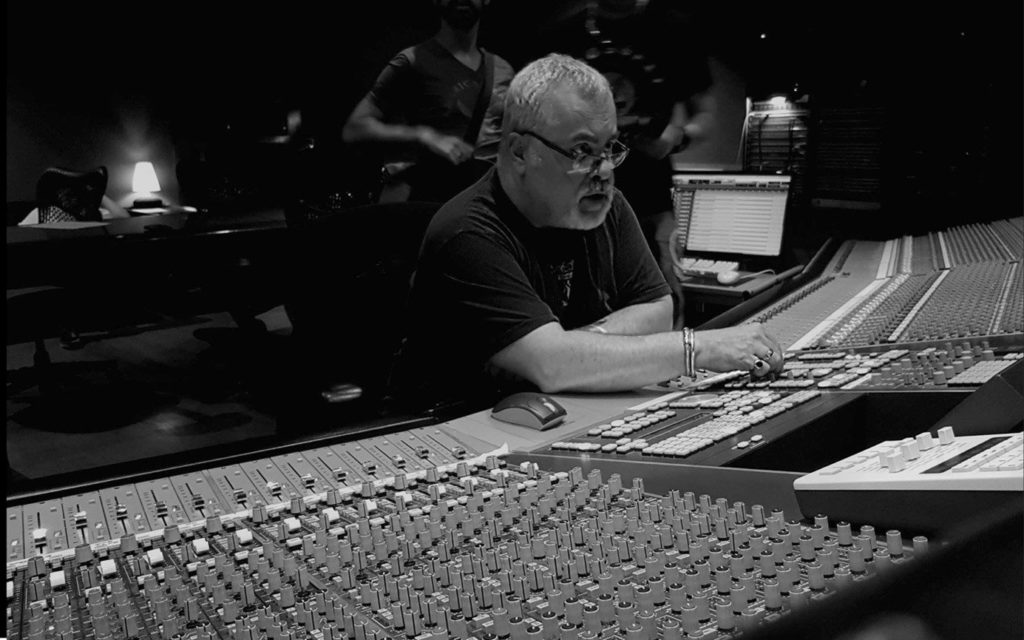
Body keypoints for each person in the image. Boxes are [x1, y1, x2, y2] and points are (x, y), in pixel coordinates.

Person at [391, 54, 782, 410]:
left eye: (609, 147)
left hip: (559, 406)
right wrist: (696, 348)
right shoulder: (467, 233)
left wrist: (573, 348)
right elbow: (553, 366)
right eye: (581, 151)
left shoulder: (604, 205)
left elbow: (658, 310)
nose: (605, 170)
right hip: (457, 429)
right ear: (519, 151)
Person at [532, 0, 717, 326]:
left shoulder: (672, 29)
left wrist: (678, 137)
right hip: (575, 202)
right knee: (577, 313)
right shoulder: (562, 32)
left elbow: (706, 113)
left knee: (662, 310)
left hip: (651, 205)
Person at [342, 0, 515, 203]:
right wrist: (423, 136)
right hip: (421, 201)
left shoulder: (503, 71)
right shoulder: (411, 61)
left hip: (480, 205)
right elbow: (355, 128)